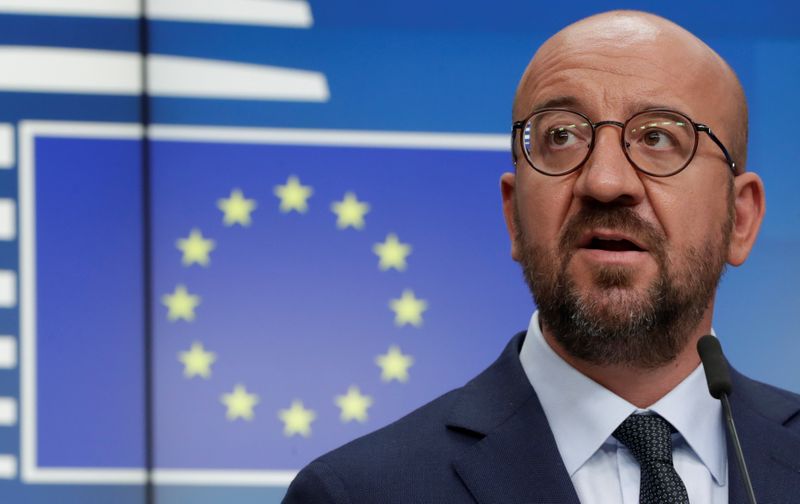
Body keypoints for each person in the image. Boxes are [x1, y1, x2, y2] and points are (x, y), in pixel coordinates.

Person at [283, 10, 800, 503]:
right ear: (513, 216)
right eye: (561, 136)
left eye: (659, 137)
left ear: (742, 219)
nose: (604, 181)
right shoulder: (359, 493)